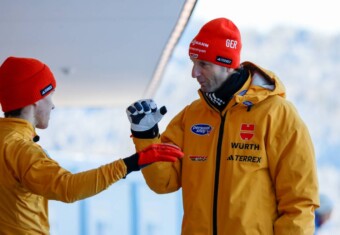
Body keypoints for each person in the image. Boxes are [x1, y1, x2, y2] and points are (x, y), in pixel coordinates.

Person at [126, 18, 319, 234]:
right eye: (193, 63)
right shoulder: (192, 116)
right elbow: (163, 182)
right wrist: (146, 136)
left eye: (203, 64)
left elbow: (299, 203)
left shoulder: (277, 115)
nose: (194, 73)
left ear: (226, 65)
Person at [0, 56, 184, 234]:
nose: (53, 105)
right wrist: (131, 163)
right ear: (36, 100)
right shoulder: (21, 149)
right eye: (50, 95)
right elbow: (68, 188)